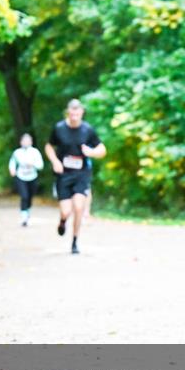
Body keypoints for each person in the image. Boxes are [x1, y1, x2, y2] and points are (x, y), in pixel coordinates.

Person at [45, 99, 107, 254]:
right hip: (63, 174)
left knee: (79, 207)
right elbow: (48, 146)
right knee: (66, 211)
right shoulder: (59, 128)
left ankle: (74, 241)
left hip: (81, 173)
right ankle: (63, 221)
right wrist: (55, 161)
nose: (74, 116)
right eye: (72, 113)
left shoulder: (87, 130)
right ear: (68, 112)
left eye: (77, 113)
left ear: (82, 113)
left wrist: (91, 152)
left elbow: (102, 149)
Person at [8, 133, 44, 226]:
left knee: (30, 197)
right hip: (21, 177)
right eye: (24, 140)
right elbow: (12, 162)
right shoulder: (17, 152)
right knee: (24, 196)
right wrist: (12, 170)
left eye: (28, 140)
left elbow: (40, 165)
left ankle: (27, 212)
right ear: (21, 142)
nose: (26, 142)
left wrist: (33, 164)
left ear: (31, 142)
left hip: (32, 177)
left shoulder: (35, 152)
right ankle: (24, 217)